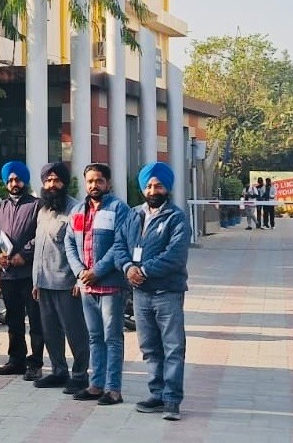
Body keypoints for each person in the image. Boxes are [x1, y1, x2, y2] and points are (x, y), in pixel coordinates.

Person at [122, 161, 190, 421]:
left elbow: (175, 255)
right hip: (140, 293)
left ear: (167, 188)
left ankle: (172, 399)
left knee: (172, 347)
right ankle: (157, 394)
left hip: (167, 293)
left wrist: (144, 270)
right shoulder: (133, 215)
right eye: (149, 186)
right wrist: (128, 267)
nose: (153, 190)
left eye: (158, 185)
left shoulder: (176, 217)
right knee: (149, 346)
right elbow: (119, 245)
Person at [64, 163, 132, 406]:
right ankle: (96, 385)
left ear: (108, 183)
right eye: (90, 181)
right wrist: (80, 271)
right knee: (94, 337)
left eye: (99, 181)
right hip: (87, 286)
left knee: (112, 337)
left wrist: (97, 271)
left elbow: (120, 244)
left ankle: (113, 389)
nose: (94, 185)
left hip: (111, 285)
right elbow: (69, 243)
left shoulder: (119, 209)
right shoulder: (77, 211)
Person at [30, 162, 90, 395]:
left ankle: (80, 375)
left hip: (67, 283)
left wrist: (79, 280)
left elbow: (82, 247)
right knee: (50, 332)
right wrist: (36, 281)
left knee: (75, 332)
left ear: (64, 183)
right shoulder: (43, 211)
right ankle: (58, 371)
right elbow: (39, 248)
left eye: (56, 180)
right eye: (48, 181)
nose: (52, 185)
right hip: (44, 283)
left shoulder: (76, 210)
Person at [0, 161, 43, 380]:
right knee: (14, 320)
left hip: (29, 273)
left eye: (17, 179)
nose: (13, 183)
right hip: (8, 274)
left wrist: (24, 254)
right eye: (9, 180)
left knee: (35, 321)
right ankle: (16, 360)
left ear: (24, 181)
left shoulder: (37, 206)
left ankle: (35, 363)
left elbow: (41, 235)